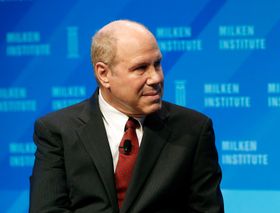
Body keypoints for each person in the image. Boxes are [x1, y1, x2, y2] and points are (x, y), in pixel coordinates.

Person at [29, 19, 224, 213]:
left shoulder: (193, 129)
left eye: (157, 64)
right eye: (140, 68)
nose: (156, 78)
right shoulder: (58, 131)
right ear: (103, 74)